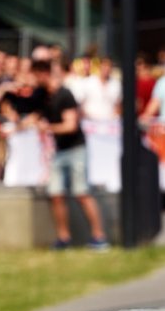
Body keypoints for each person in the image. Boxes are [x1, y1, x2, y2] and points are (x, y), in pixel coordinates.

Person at [32, 63, 109, 250]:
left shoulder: (65, 95)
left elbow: (71, 125)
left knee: (82, 193)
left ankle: (99, 237)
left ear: (43, 74)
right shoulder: (45, 96)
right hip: (59, 152)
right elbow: (36, 116)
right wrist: (17, 128)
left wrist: (48, 128)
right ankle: (63, 237)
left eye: (35, 75)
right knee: (56, 194)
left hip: (76, 150)